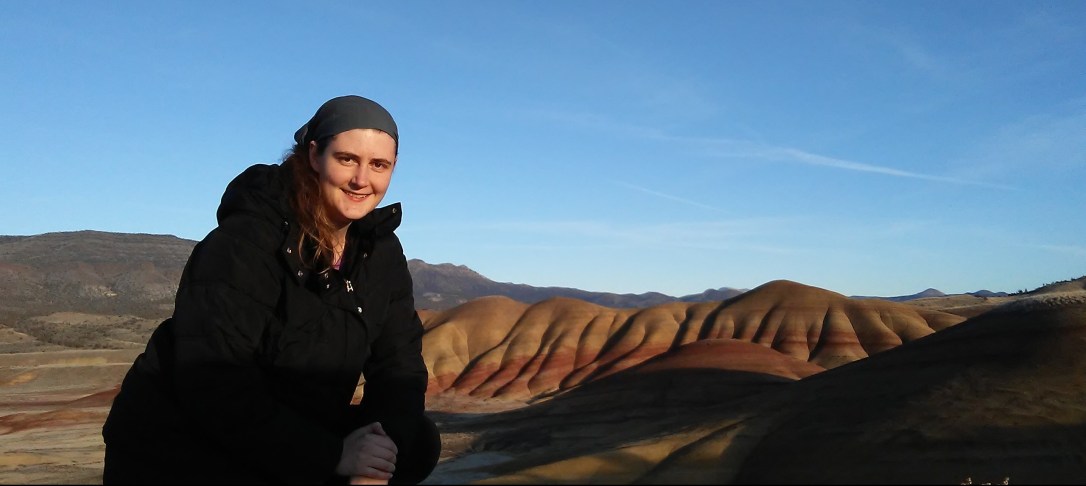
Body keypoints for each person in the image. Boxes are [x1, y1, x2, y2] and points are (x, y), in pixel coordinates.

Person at [102, 95, 440, 484]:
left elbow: (399, 367)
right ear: (314, 155)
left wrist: (380, 453)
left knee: (416, 442)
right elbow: (213, 385)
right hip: (186, 441)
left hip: (288, 423)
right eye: (347, 159)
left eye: (378, 165)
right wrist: (333, 456)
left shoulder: (379, 251)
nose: (362, 180)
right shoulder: (246, 242)